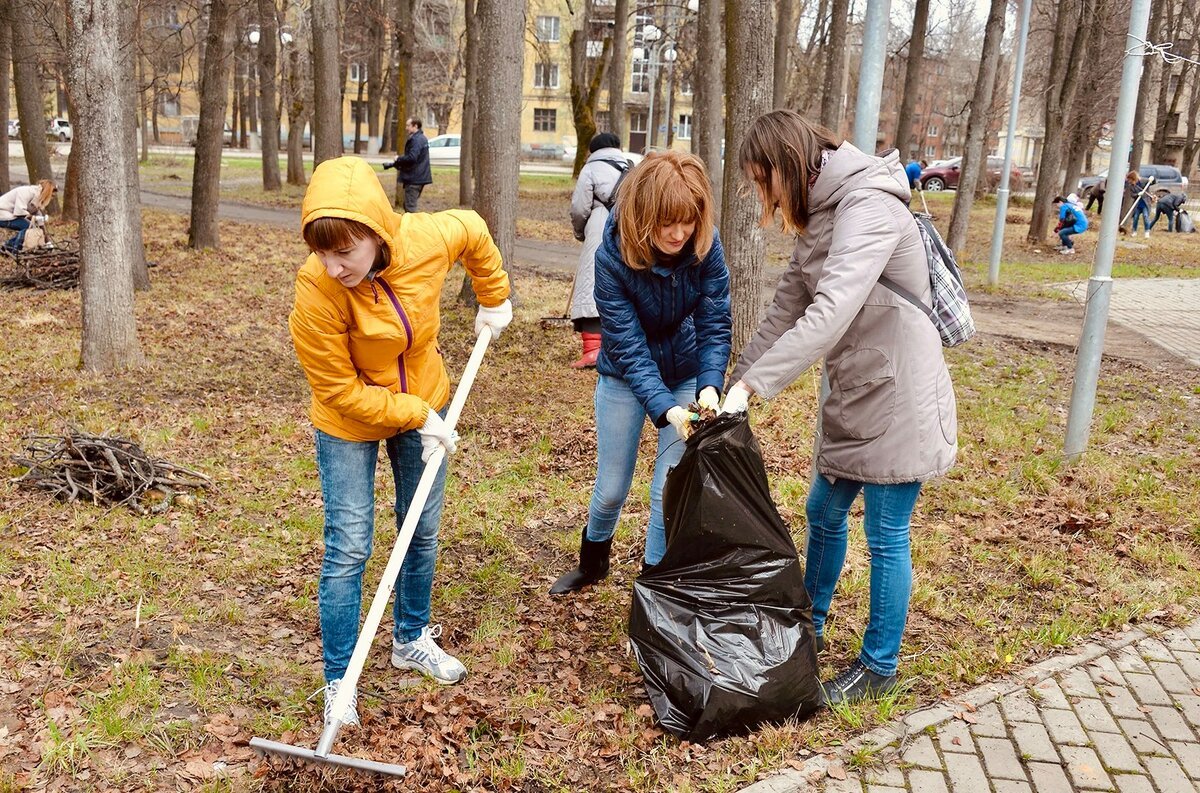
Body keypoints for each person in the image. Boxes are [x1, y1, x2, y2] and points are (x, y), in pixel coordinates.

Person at [720, 110, 957, 705]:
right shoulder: (823, 215)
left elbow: (828, 312)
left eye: (761, 181)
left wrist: (755, 390)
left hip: (900, 391)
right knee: (824, 510)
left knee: (886, 531)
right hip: (857, 389)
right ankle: (810, 626)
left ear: (787, 167)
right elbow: (784, 310)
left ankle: (879, 666)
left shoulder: (868, 207)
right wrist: (734, 380)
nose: (761, 195)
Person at [289, 156, 511, 727]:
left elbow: (475, 232)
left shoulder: (424, 238)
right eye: (324, 253)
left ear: (376, 232)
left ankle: (411, 638)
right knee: (349, 545)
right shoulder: (316, 292)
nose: (335, 267)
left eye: (346, 252)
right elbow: (338, 390)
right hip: (351, 421)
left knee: (422, 528)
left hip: (427, 396)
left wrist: (494, 293)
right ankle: (339, 679)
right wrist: (415, 413)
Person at [549, 150, 731, 595]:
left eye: (687, 221)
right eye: (668, 223)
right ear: (646, 214)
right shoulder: (612, 252)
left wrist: (709, 384)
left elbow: (714, 320)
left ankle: (652, 588)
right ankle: (592, 563)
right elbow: (627, 345)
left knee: (666, 488)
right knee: (611, 487)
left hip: (686, 370)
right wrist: (665, 408)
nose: (678, 233)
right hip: (625, 376)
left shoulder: (705, 244)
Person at [567, 132, 630, 369]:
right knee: (622, 286)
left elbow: (579, 208)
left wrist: (580, 232)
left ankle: (593, 350)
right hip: (628, 230)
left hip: (600, 225)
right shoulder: (632, 167)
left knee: (592, 282)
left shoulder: (590, 169)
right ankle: (617, 350)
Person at [383, 118, 432, 212]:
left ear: (415, 126)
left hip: (414, 178)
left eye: (408, 125)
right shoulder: (422, 138)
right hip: (419, 177)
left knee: (410, 208)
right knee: (408, 205)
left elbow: (412, 158)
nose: (406, 128)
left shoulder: (416, 140)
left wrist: (399, 159)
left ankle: (413, 226)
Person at [0, 180, 55, 253]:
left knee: (32, 227)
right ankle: (15, 250)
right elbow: (19, 211)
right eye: (51, 195)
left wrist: (48, 242)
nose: (52, 197)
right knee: (29, 227)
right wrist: (34, 218)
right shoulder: (26, 192)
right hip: (3, 214)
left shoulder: (36, 198)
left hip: (9, 214)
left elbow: (40, 222)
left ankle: (7, 247)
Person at [1128, 172, 1154, 237]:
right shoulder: (1131, 186)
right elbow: (1132, 195)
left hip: (1145, 204)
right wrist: (1137, 194)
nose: (1129, 181)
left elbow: (1152, 182)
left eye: (1130, 180)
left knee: (1145, 216)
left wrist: (1152, 179)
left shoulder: (1143, 181)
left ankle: (1147, 232)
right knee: (1136, 217)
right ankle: (1134, 232)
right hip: (1137, 205)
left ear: (1134, 178)